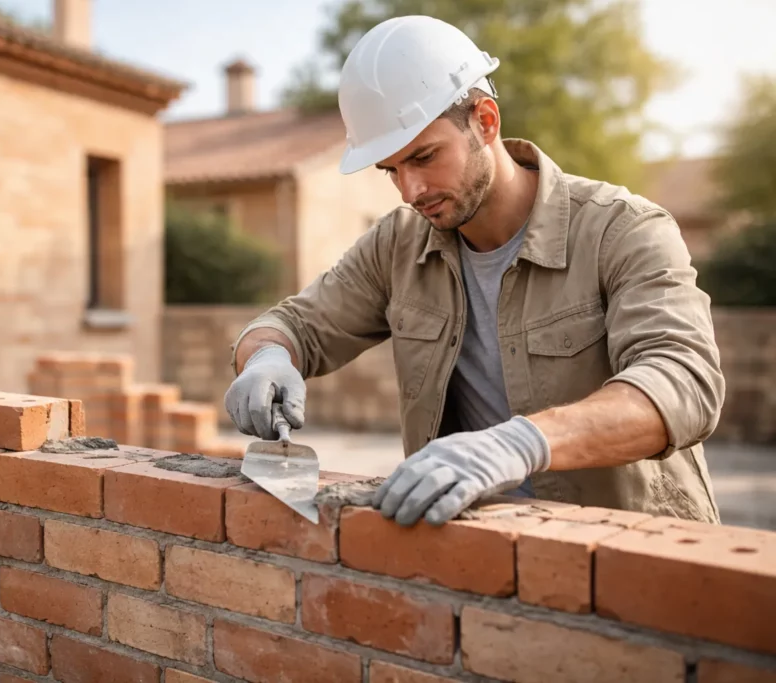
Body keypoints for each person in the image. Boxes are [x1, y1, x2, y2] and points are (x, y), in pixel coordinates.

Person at [223, 15, 725, 527]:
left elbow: (683, 383)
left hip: (631, 553)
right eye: (391, 170)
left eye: (424, 157)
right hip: (476, 558)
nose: (410, 190)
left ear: (485, 120)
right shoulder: (398, 245)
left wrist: (522, 443)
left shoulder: (622, 229)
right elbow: (295, 325)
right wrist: (266, 357)